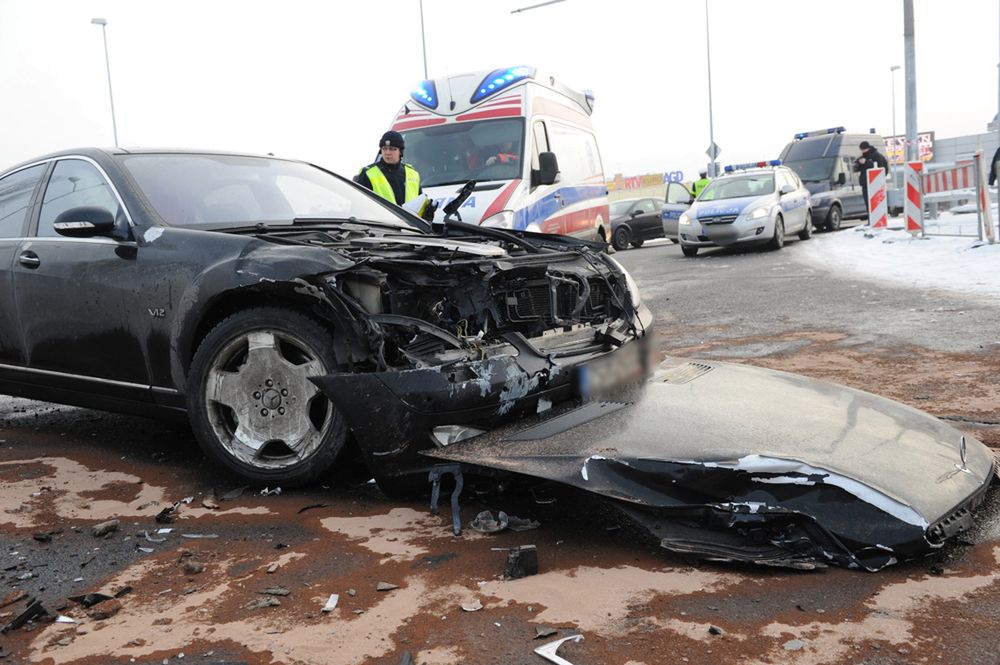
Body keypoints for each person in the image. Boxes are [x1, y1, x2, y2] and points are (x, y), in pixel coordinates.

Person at [356, 131, 422, 206]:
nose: (387, 152)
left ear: (400, 151)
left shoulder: (413, 174)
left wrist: (427, 215)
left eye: (392, 149)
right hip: (381, 218)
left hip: (408, 218)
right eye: (384, 148)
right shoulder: (368, 173)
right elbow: (360, 205)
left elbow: (418, 205)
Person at [853, 140, 889, 207]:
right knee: (868, 205)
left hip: (875, 184)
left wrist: (866, 162)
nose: (863, 151)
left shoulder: (876, 155)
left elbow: (880, 168)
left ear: (868, 148)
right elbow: (858, 169)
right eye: (862, 150)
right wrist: (857, 165)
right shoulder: (863, 157)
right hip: (865, 184)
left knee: (875, 205)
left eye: (864, 149)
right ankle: (870, 217)